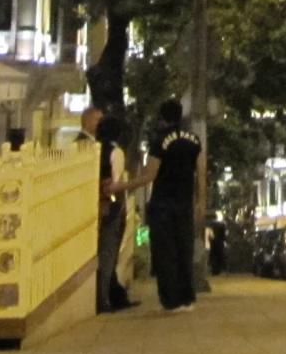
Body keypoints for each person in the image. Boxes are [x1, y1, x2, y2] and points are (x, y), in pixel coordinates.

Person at [143, 98, 205, 313]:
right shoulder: (194, 140)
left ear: (162, 116)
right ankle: (188, 298)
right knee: (183, 250)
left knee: (164, 253)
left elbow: (150, 175)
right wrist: (200, 201)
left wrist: (122, 185)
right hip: (184, 203)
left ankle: (170, 300)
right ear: (181, 115)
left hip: (162, 203)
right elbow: (202, 172)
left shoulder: (159, 140)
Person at [83, 106, 140, 313]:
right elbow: (115, 182)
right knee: (108, 254)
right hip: (111, 206)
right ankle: (103, 299)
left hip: (91, 205)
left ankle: (108, 295)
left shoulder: (90, 147)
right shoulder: (115, 151)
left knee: (100, 253)